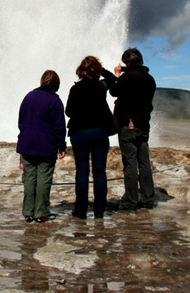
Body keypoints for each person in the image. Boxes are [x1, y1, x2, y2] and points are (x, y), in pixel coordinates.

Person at [65, 56, 116, 219]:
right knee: (100, 173)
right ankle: (99, 211)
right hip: (99, 132)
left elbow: (69, 112)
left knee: (82, 173)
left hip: (80, 133)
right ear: (96, 70)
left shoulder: (76, 89)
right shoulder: (101, 87)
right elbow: (112, 79)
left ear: (81, 70)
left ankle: (80, 211)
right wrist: (102, 71)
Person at [16, 70, 66, 224]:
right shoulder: (55, 101)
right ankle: (41, 212)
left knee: (30, 178)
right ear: (56, 84)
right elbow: (59, 127)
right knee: (44, 178)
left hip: (27, 144)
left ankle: (28, 212)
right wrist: (61, 146)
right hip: (46, 145)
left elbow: (21, 120)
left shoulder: (29, 97)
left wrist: (24, 137)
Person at [109, 47, 156, 211]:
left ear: (128, 62)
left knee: (129, 162)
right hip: (143, 125)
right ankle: (149, 198)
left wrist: (116, 75)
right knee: (144, 162)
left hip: (128, 125)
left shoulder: (126, 77)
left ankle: (130, 199)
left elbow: (113, 92)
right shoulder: (150, 79)